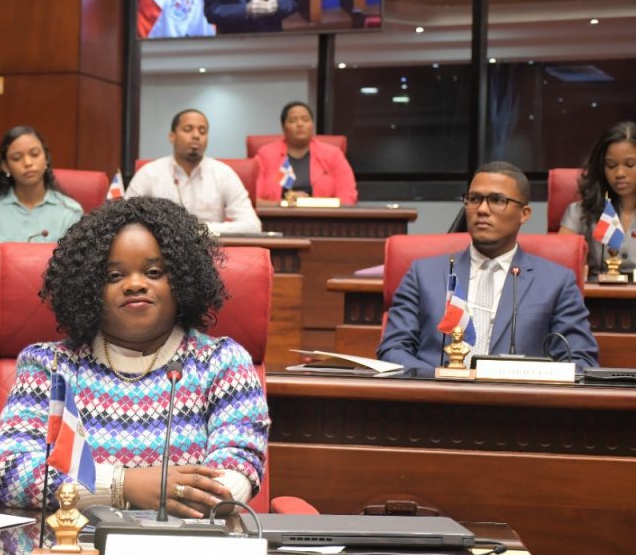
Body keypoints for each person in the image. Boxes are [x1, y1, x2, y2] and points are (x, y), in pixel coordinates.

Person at [0, 197, 269, 517]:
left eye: (153, 271)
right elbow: (7, 472)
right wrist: (125, 485)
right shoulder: (51, 367)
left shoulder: (222, 364)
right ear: (89, 288)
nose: (135, 284)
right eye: (114, 276)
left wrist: (203, 496)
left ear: (179, 280)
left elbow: (232, 477)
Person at [378, 161, 598, 370]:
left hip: (517, 404)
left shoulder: (556, 282)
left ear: (524, 214)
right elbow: (392, 349)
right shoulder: (424, 274)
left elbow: (580, 360)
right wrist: (441, 378)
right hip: (436, 401)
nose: (482, 209)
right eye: (474, 199)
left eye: (497, 200)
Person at [125, 109, 262, 234]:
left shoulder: (223, 174)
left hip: (210, 251)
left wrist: (201, 229)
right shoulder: (149, 173)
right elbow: (125, 218)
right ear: (172, 137)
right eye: (188, 129)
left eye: (202, 131)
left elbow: (253, 225)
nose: (196, 135)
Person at [0, 126, 83, 243]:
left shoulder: (70, 212)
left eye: (34, 154)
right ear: (5, 166)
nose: (28, 163)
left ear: (46, 159)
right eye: (17, 158)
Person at [559, 121, 636, 275]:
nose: (620, 173)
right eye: (611, 165)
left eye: (630, 164)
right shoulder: (580, 212)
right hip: (595, 296)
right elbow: (561, 264)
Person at [254, 101, 358, 205]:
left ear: (312, 125)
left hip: (322, 217)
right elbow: (251, 200)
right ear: (283, 127)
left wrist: (309, 203)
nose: (300, 124)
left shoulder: (333, 154)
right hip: (277, 217)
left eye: (305, 119)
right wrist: (284, 203)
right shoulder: (266, 155)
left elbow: (348, 198)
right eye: (293, 120)